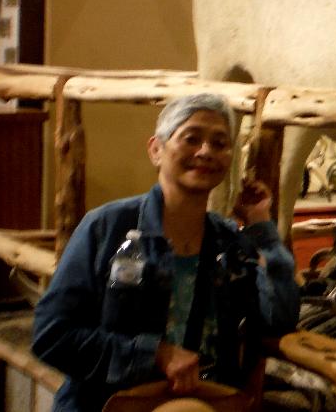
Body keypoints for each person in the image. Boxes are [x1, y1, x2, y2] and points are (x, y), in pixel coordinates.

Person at [33, 93, 300, 412]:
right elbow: (52, 335)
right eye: (191, 138)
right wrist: (154, 354)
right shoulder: (108, 227)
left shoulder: (229, 242)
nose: (205, 151)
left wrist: (261, 228)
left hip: (205, 403)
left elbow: (279, 320)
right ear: (156, 150)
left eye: (219, 143)